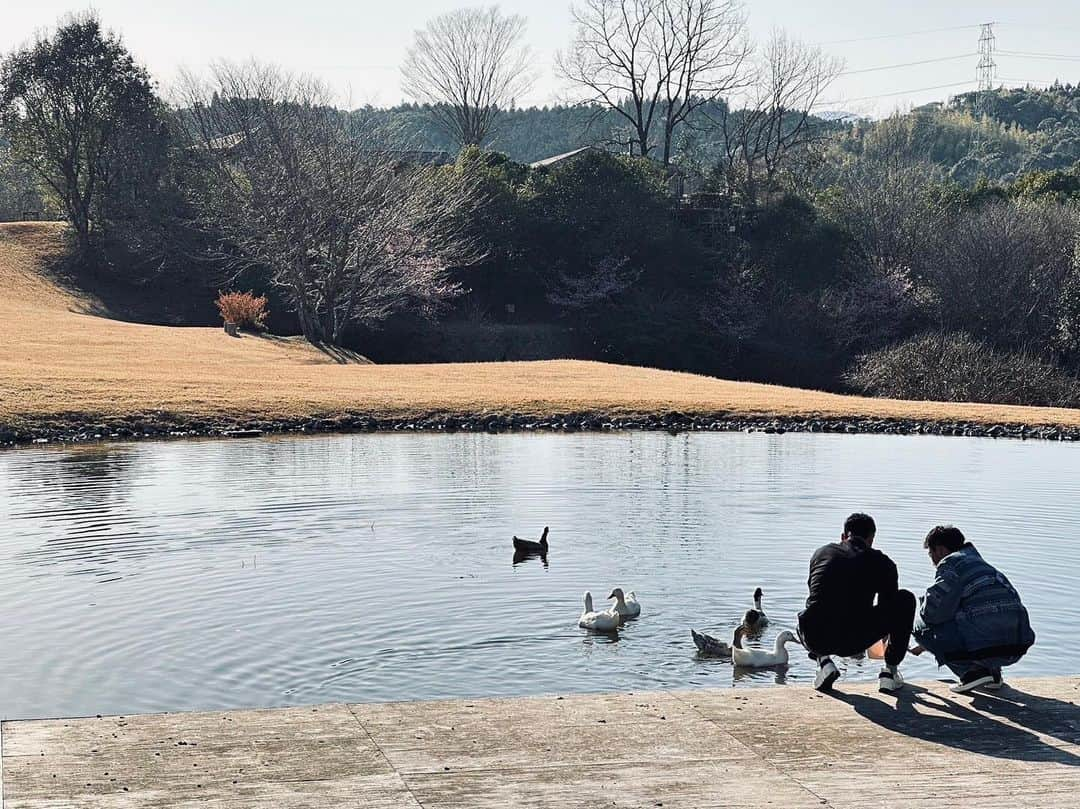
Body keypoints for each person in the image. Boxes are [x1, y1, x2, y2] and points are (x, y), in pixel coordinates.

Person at [798, 513, 916, 694]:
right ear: (871, 539)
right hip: (852, 640)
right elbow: (888, 608)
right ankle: (890, 672)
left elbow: (815, 598)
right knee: (905, 599)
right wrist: (888, 648)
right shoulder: (883, 563)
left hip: (815, 636)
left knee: (812, 611)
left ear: (843, 536)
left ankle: (824, 662)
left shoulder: (820, 553)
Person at [911, 525, 1035, 694]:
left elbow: (933, 613)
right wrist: (924, 647)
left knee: (920, 625)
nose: (932, 559)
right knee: (983, 613)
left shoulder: (951, 564)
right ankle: (993, 672)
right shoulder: (985, 567)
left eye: (930, 553)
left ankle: (973, 673)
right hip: (1017, 644)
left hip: (988, 643)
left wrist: (923, 636)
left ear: (939, 550)